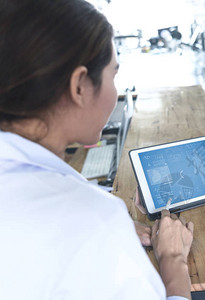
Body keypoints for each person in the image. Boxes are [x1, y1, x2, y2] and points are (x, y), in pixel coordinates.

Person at [0, 1, 193, 299]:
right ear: (79, 86)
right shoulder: (93, 219)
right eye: (113, 75)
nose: (115, 92)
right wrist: (174, 260)